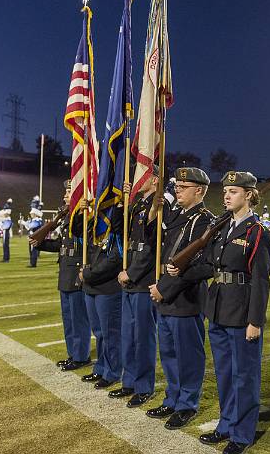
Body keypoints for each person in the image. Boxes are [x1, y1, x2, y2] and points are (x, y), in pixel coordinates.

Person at [174, 170, 270, 454]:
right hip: (217, 309)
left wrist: (255, 320)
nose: (227, 196)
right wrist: (181, 268)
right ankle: (226, 425)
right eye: (226, 192)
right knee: (225, 374)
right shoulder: (222, 227)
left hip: (242, 312)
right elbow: (210, 264)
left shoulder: (257, 232)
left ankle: (242, 434)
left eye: (234, 192)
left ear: (249, 196)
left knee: (245, 376)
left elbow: (261, 279)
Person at [147, 167, 214, 431]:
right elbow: (155, 243)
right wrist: (154, 210)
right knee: (169, 354)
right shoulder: (174, 215)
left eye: (183, 187)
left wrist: (167, 287)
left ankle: (187, 404)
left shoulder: (205, 220)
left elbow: (207, 266)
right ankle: (172, 398)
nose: (177, 189)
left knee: (188, 356)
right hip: (165, 295)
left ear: (199, 190)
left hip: (185, 298)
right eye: (177, 185)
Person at [112, 168, 160, 408]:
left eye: (141, 174)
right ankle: (129, 380)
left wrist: (130, 272)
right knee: (128, 335)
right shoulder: (139, 205)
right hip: (129, 280)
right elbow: (121, 231)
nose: (134, 178)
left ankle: (143, 386)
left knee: (143, 337)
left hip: (141, 281)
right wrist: (124, 202)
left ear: (153, 179)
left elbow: (150, 247)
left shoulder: (157, 205)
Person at [32, 181, 92, 372]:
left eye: (69, 191)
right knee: (68, 318)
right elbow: (61, 244)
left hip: (75, 272)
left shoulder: (84, 217)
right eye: (66, 191)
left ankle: (81, 356)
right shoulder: (67, 216)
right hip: (65, 272)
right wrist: (39, 243)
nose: (65, 195)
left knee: (78, 319)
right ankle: (73, 354)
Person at [77, 197, 124, 391]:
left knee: (110, 333)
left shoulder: (118, 225)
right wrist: (81, 213)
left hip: (107, 288)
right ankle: (101, 367)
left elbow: (115, 258)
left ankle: (112, 371)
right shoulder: (95, 224)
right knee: (98, 332)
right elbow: (79, 235)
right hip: (92, 288)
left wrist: (88, 274)